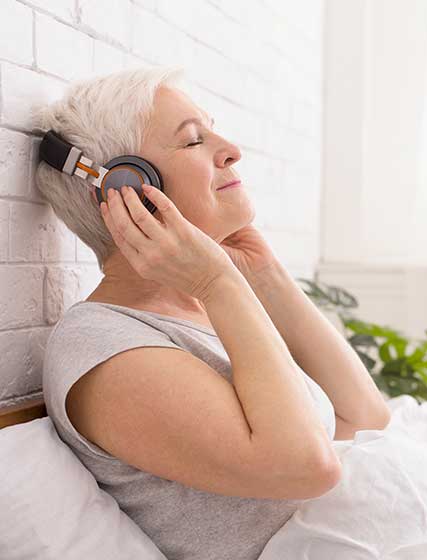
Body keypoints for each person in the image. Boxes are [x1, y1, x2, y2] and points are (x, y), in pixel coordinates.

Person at [35, 66, 391, 560]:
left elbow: (365, 419)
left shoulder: (203, 314)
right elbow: (307, 468)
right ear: (126, 188)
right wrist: (219, 282)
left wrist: (262, 273)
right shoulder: (102, 346)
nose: (231, 149)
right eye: (193, 141)